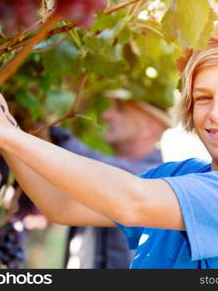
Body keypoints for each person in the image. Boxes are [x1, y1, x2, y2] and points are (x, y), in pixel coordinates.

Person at [0, 9, 218, 268]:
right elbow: (61, 205)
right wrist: (5, 127)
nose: (217, 112)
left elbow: (131, 202)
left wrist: (4, 133)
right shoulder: (179, 176)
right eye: (204, 97)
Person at [49, 89, 171, 268]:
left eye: (121, 111)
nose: (107, 115)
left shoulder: (153, 180)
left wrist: (51, 133)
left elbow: (97, 170)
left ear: (149, 126)